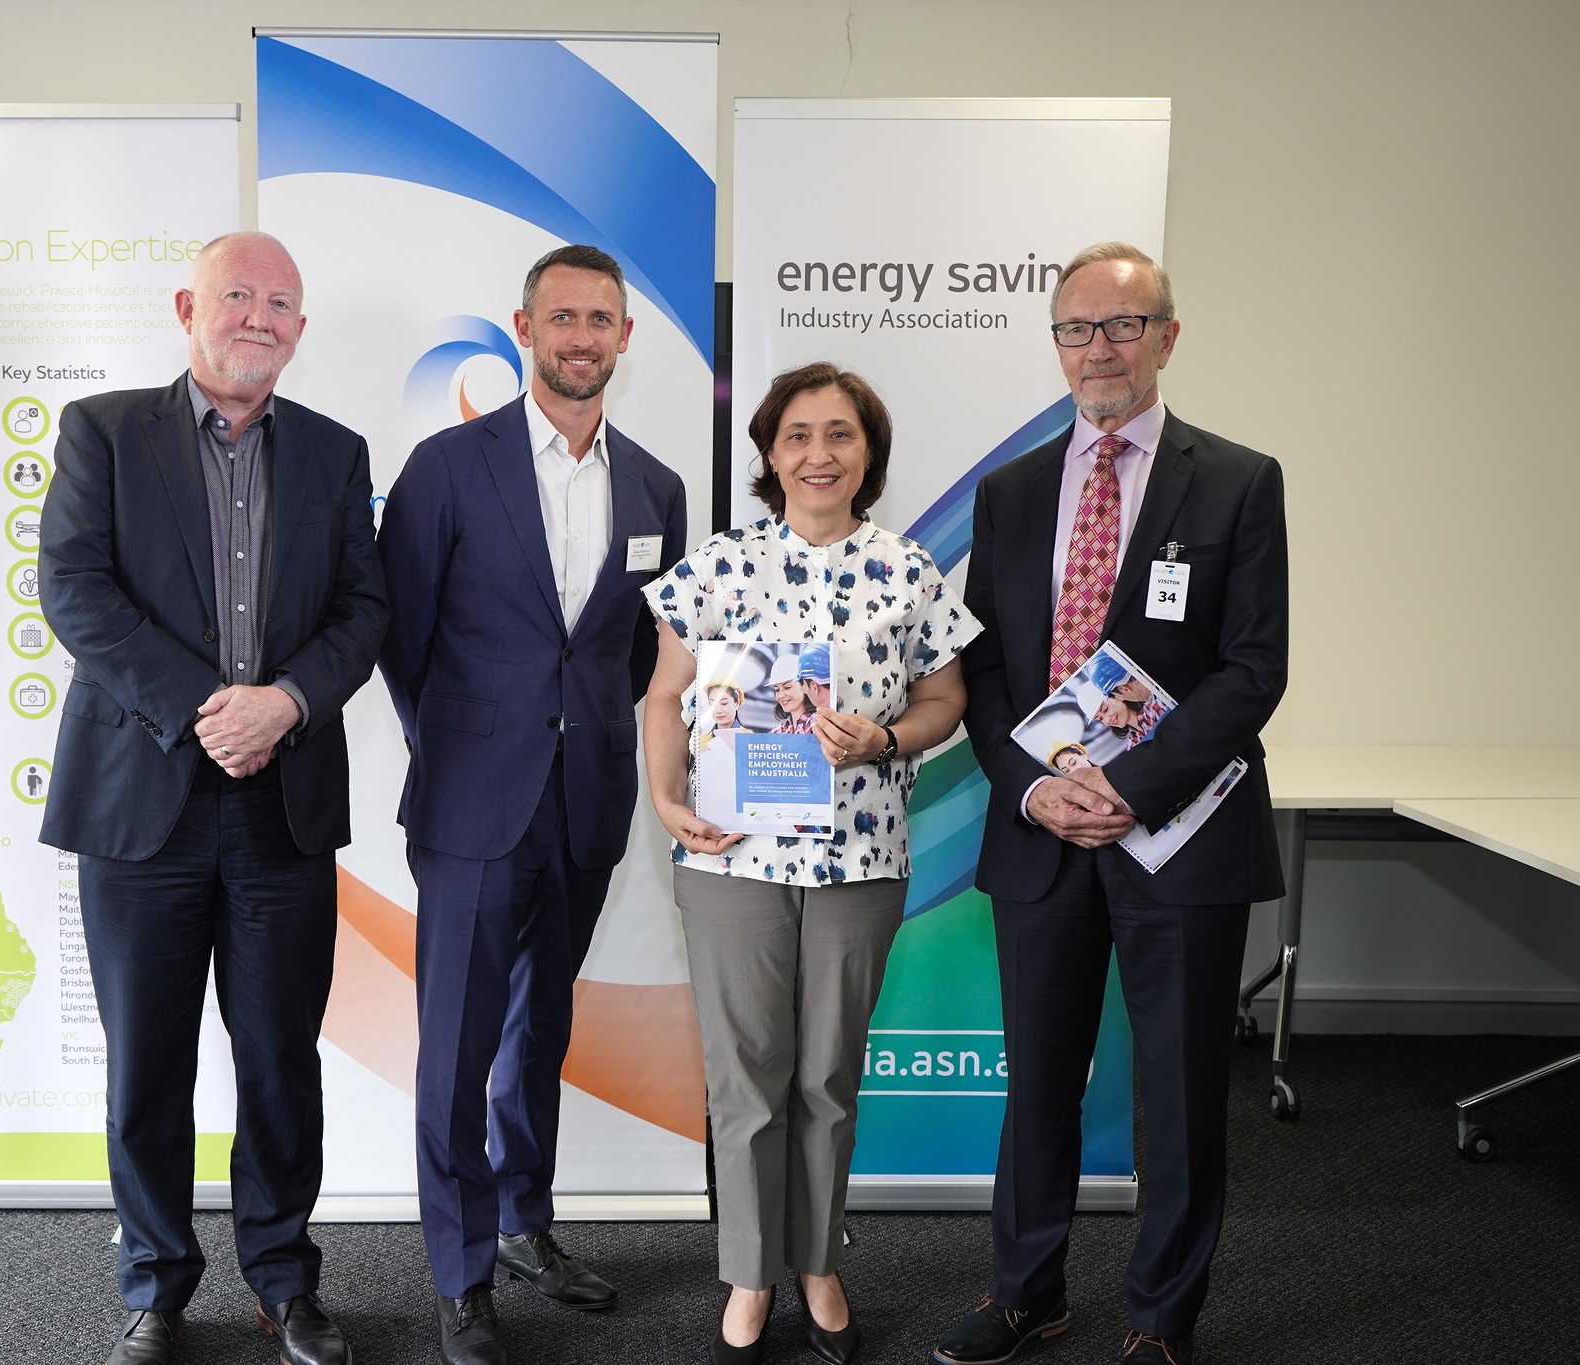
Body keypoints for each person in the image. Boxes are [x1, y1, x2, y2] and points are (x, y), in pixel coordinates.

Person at [38, 231, 388, 1365]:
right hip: (141, 802)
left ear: (299, 328)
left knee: (279, 1060)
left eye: (280, 303)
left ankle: (284, 1280)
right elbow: (73, 589)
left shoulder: (335, 453)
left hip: (282, 804)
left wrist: (283, 703)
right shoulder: (104, 431)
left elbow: (364, 610)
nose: (258, 318)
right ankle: (155, 1286)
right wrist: (210, 709)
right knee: (148, 1063)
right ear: (188, 307)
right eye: (237, 295)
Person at [935, 242, 1288, 1365]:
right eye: (1077, 328)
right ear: (1055, 344)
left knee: (1178, 1091)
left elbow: (1252, 669)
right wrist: (1037, 787)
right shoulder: (1009, 492)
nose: (1100, 348)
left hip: (1179, 835)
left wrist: (1125, 788)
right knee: (1038, 1079)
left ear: (1166, 337)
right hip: (1042, 836)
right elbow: (985, 666)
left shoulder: (1237, 480)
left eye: (1124, 325)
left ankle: (1160, 1319)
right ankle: (1024, 1293)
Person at [377, 244, 688, 1365]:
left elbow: (640, 650)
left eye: (600, 319)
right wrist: (461, 746)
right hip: (471, 801)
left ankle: (523, 1222)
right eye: (562, 317)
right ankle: (459, 1276)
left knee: (537, 1027)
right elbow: (401, 638)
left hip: (584, 801)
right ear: (523, 328)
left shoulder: (656, 487)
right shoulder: (446, 467)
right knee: (457, 1047)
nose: (581, 337)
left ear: (624, 336)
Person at [643, 362, 978, 1365]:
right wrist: (666, 799)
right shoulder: (718, 564)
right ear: (769, 452)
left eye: (839, 434)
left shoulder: (908, 570)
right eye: (797, 434)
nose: (818, 453)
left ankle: (820, 1264)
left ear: (868, 453)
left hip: (859, 859)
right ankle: (750, 1275)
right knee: (746, 1078)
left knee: (828, 1076)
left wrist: (883, 738)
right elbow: (663, 697)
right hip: (729, 861)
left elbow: (946, 700)